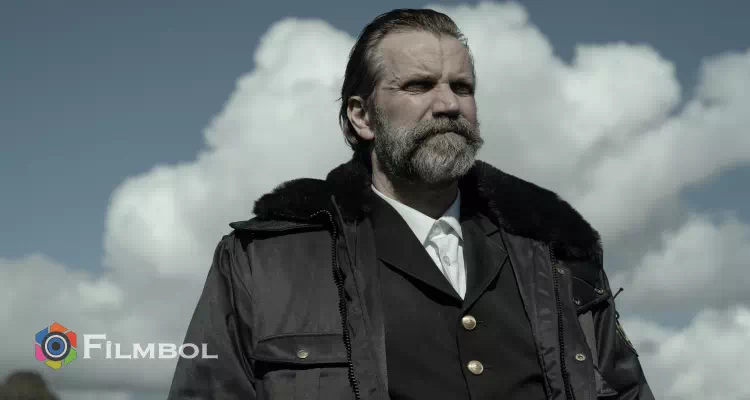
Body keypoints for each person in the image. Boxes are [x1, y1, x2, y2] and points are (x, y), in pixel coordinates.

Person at [168, 8, 654, 400]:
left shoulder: (556, 256)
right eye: (418, 86)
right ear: (361, 116)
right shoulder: (262, 262)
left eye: (462, 87)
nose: (448, 104)